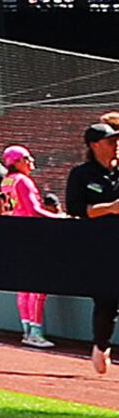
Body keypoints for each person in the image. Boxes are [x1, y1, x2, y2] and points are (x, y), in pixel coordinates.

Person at [65, 122, 119, 376]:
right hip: (99, 247)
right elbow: (75, 209)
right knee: (107, 300)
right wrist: (109, 208)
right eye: (110, 141)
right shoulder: (81, 174)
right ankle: (101, 344)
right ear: (94, 145)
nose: (116, 145)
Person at [0, 143, 51, 347]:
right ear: (16, 161)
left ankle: (27, 330)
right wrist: (60, 217)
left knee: (24, 288)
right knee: (38, 287)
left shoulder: (7, 181)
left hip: (17, 236)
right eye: (26, 157)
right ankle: (35, 332)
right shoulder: (23, 181)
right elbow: (34, 210)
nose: (31, 161)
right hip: (31, 237)